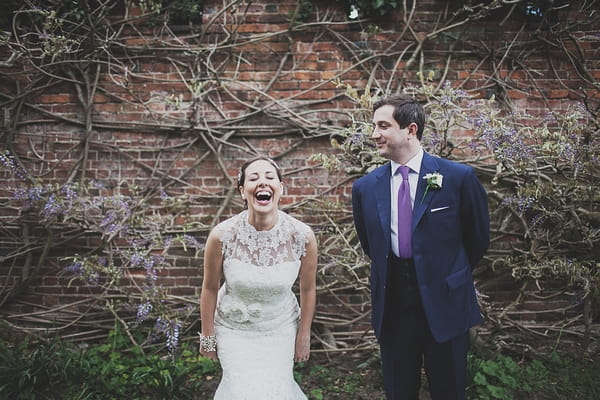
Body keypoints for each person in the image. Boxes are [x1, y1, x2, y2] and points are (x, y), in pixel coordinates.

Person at [351, 94, 490, 400]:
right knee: (399, 391)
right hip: (394, 305)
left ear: (410, 130)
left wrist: (447, 273)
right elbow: (370, 243)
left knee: (449, 390)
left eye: (383, 126)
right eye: (374, 126)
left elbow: (478, 238)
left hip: (446, 301)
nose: (374, 134)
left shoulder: (458, 178)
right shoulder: (364, 188)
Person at [199, 156, 318, 399]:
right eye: (254, 178)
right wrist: (208, 338)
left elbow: (308, 290)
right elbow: (210, 288)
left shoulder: (302, 236)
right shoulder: (222, 236)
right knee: (240, 391)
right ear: (243, 191)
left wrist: (304, 335)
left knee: (277, 390)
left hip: (281, 329)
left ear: (281, 188)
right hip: (234, 331)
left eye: (269, 177)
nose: (262, 183)